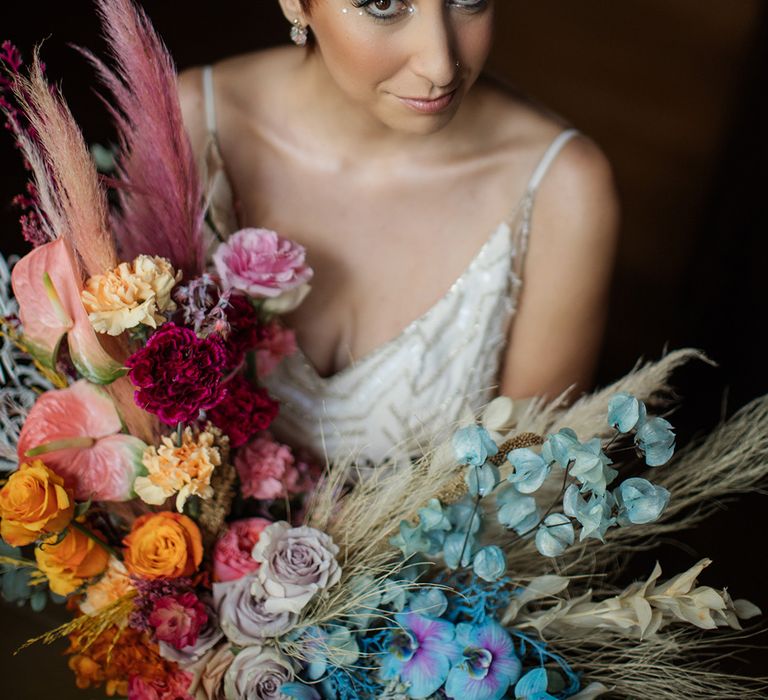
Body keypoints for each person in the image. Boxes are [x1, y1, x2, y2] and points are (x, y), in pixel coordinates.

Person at [178, 0, 619, 463]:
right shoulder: (190, 124)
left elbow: (525, 494)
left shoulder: (561, 190)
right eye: (384, 4)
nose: (440, 64)